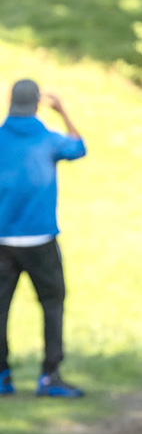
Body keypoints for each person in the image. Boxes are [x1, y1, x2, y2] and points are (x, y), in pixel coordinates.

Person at [0, 80, 86, 397]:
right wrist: (63, 111)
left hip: (2, 240)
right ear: (37, 104)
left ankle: (2, 377)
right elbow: (79, 147)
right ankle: (49, 377)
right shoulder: (48, 139)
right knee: (51, 304)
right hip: (40, 241)